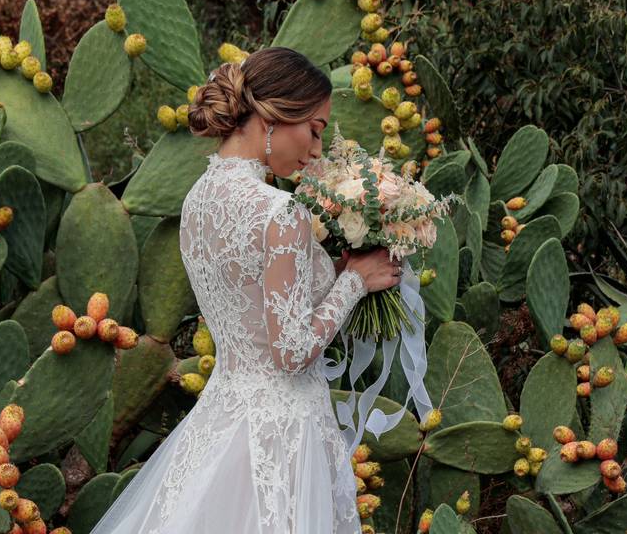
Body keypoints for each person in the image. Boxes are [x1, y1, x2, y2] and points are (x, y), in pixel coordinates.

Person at [88, 47, 402, 533]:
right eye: (314, 130)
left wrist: (335, 270)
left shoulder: (196, 203)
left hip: (224, 417)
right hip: (283, 432)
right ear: (273, 115)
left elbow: (255, 308)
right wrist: (355, 282)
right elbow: (291, 352)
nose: (317, 150)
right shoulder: (281, 213)